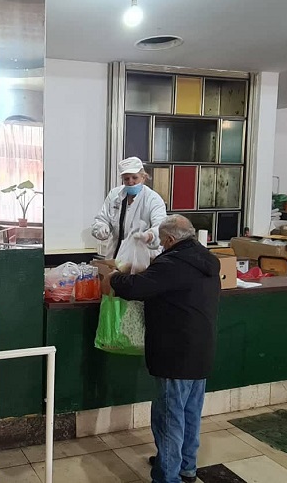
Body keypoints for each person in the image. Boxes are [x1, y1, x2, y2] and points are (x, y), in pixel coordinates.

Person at [103, 215, 220, 483]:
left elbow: (136, 288)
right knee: (190, 413)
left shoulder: (173, 263)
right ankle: (186, 466)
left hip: (175, 352)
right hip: (200, 349)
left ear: (169, 239)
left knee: (169, 417)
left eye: (162, 240)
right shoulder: (205, 259)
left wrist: (115, 278)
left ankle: (167, 476)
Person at [92, 156, 167, 260]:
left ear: (143, 177)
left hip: (143, 256)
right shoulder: (114, 195)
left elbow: (161, 227)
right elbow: (102, 219)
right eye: (126, 179)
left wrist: (149, 236)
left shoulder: (153, 199)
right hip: (116, 254)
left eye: (134, 178)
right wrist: (101, 228)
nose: (130, 182)